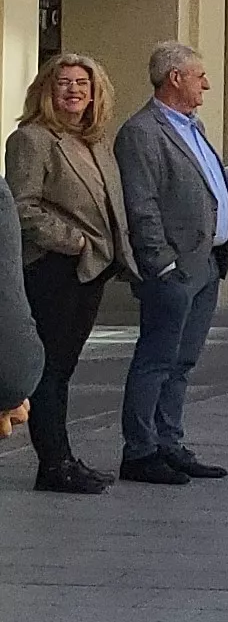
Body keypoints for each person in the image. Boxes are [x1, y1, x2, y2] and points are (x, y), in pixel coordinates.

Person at [112, 42, 228, 485]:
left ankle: (170, 442)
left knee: (183, 362)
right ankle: (140, 450)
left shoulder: (194, 127)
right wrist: (160, 265)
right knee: (157, 358)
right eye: (199, 74)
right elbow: (141, 205)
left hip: (205, 264)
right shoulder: (142, 132)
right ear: (175, 78)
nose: (206, 83)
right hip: (173, 270)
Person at [9, 54, 129, 493]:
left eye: (83, 83)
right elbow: (23, 207)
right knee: (51, 370)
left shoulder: (95, 141)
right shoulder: (33, 140)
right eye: (64, 83)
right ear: (46, 90)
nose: (74, 90)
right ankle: (53, 463)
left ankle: (63, 456)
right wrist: (75, 243)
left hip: (91, 269)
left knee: (65, 367)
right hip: (53, 267)